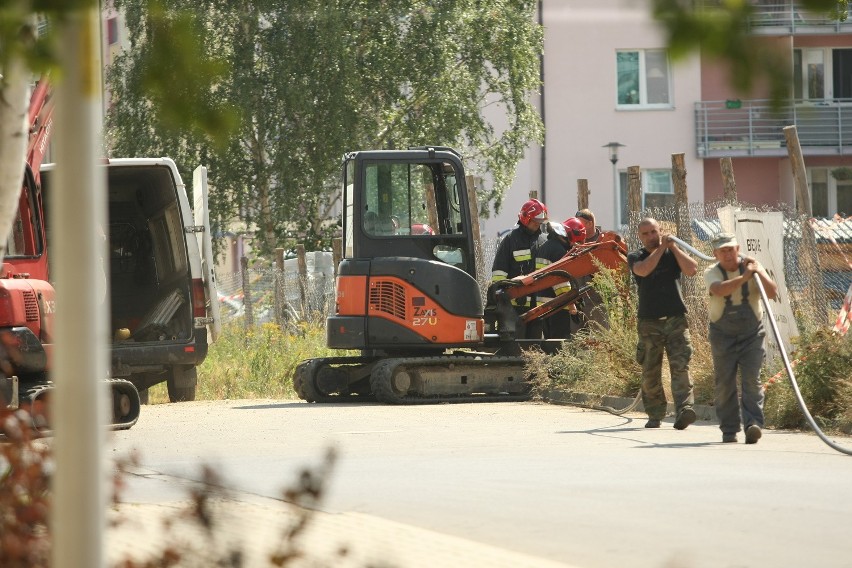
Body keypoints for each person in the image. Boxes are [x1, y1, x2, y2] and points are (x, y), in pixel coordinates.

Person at [704, 233, 778, 444]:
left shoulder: (753, 267)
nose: (727, 254)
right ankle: (729, 429)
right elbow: (719, 290)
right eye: (722, 251)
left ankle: (753, 424)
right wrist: (745, 277)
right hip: (722, 335)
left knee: (751, 380)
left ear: (737, 249)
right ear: (715, 254)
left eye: (730, 249)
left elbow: (772, 292)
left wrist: (757, 273)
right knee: (725, 382)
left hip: (752, 334)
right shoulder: (711, 272)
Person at [627, 218, 698, 429]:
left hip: (675, 319)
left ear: (661, 231)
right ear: (640, 237)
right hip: (649, 322)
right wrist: (660, 250)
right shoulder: (635, 256)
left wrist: (673, 248)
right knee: (650, 370)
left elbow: (692, 269)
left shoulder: (671, 252)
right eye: (646, 234)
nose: (651, 237)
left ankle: (684, 410)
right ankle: (655, 414)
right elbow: (643, 270)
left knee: (681, 366)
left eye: (654, 232)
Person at [490, 198, 549, 339]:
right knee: (514, 345)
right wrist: (503, 297)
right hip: (514, 306)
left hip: (538, 306)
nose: (538, 223)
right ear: (525, 218)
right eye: (535, 220)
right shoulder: (511, 240)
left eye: (540, 221)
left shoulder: (544, 241)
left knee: (534, 347)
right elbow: (499, 273)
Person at [539, 217, 586, 339]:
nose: (576, 245)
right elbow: (560, 281)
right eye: (578, 241)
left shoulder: (547, 246)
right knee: (559, 344)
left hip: (544, 304)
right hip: (558, 306)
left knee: (548, 343)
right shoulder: (559, 251)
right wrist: (571, 305)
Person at [571, 208, 609, 333]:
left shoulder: (603, 242)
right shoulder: (573, 242)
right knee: (577, 340)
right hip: (576, 301)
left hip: (597, 302)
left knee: (599, 340)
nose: (577, 227)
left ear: (589, 223)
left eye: (580, 223)